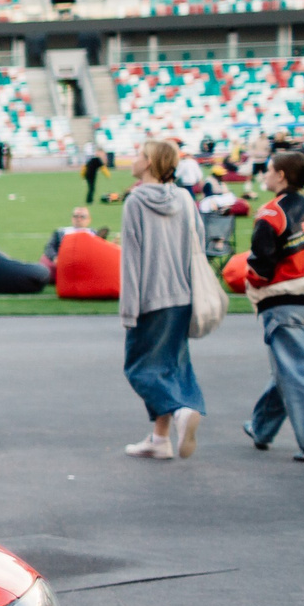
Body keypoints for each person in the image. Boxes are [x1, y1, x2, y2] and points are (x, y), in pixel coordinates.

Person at [240, 150, 304, 464]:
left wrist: (249, 283)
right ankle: (261, 427)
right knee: (298, 370)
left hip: (285, 304)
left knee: (297, 373)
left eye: (268, 170)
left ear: (281, 175)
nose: (264, 176)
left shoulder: (271, 213)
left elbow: (261, 267)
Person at [119, 139, 208, 461]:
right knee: (171, 365)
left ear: (150, 163)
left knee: (140, 368)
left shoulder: (136, 202)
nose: (134, 158)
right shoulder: (184, 197)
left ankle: (180, 410)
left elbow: (131, 260)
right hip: (182, 294)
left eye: (140, 154)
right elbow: (198, 241)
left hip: (150, 297)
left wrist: (129, 310)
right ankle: (160, 438)